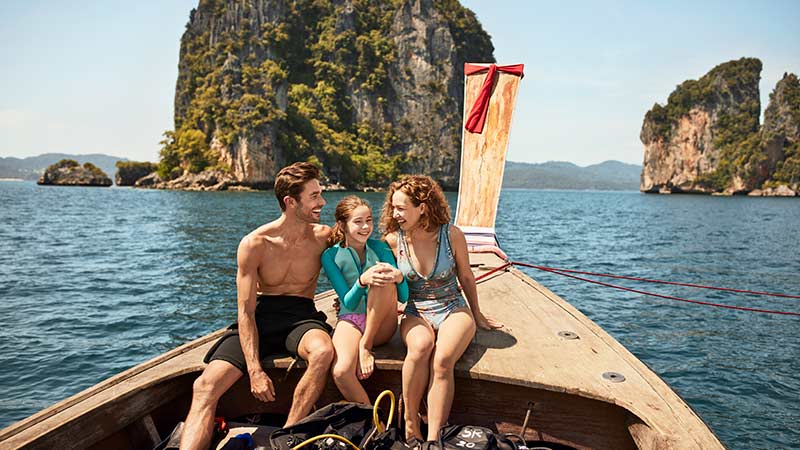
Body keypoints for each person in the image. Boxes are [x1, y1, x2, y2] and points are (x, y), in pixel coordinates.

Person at [180, 162, 334, 450]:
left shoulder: (324, 236)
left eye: (320, 194)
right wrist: (254, 371)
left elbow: (365, 244)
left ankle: (286, 437)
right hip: (259, 318)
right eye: (314, 196)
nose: (322, 202)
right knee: (204, 387)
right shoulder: (255, 243)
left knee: (323, 351)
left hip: (301, 317)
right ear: (290, 202)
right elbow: (246, 312)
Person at [380, 175, 503, 444]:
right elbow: (373, 271)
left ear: (422, 207)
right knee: (421, 347)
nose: (394, 213)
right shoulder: (392, 240)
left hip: (452, 307)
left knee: (442, 360)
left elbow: (466, 277)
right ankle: (411, 423)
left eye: (401, 208)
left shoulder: (451, 234)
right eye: (393, 207)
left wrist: (478, 314)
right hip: (415, 310)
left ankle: (434, 438)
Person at [321, 196, 409, 404]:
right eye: (358, 221)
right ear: (342, 225)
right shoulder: (330, 256)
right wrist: (361, 281)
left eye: (368, 220)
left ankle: (365, 346)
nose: (365, 227)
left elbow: (404, 296)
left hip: (380, 326)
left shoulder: (380, 248)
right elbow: (348, 303)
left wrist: (399, 277)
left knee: (383, 278)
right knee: (342, 371)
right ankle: (373, 422)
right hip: (351, 320)